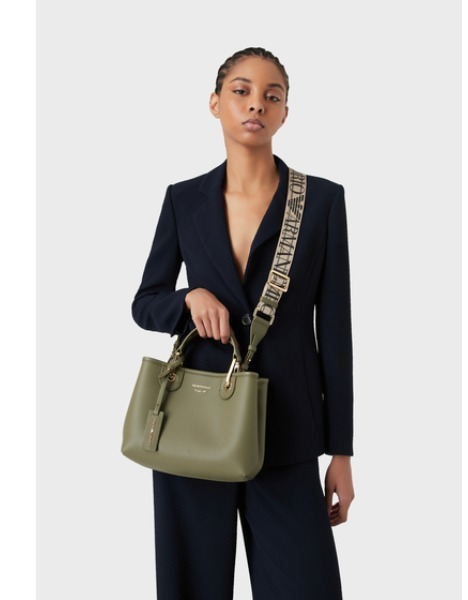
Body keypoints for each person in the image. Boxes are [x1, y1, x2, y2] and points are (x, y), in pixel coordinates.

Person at [131, 47, 355, 600]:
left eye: (271, 96)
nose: (257, 103)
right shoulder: (183, 199)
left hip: (289, 435)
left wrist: (342, 452)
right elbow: (145, 303)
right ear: (215, 103)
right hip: (192, 428)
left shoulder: (322, 202)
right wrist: (189, 298)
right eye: (241, 90)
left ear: (284, 114)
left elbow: (336, 331)